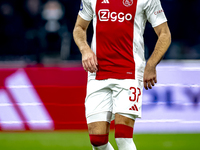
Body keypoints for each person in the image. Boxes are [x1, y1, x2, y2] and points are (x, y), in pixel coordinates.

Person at [73, 0, 171, 149]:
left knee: (123, 137)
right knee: (97, 140)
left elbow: (164, 34)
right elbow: (79, 27)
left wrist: (151, 65)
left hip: (129, 73)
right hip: (97, 72)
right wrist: (85, 50)